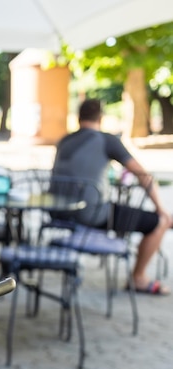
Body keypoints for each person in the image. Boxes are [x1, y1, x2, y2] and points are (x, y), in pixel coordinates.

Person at [51, 98, 172, 295]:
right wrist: (161, 209)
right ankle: (139, 278)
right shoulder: (106, 140)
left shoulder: (64, 141)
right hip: (91, 215)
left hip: (58, 213)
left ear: (78, 118)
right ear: (101, 118)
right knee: (159, 221)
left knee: (115, 207)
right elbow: (143, 176)